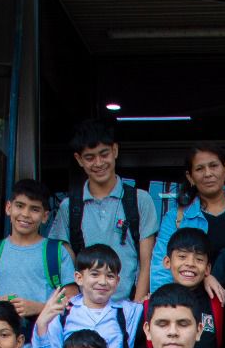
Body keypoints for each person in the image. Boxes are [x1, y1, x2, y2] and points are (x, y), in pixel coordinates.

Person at [50, 119, 161, 302]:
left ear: (115, 151)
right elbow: (66, 263)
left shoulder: (140, 200)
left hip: (128, 307)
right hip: (85, 311)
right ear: (79, 160)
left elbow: (146, 261)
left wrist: (136, 308)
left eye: (104, 154)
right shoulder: (69, 206)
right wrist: (78, 309)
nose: (99, 163)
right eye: (90, 157)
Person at [30, 244, 144, 348]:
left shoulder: (129, 312)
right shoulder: (63, 313)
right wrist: (41, 324)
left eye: (110, 276)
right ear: (79, 277)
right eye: (95, 274)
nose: (102, 281)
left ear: (117, 281)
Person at [149, 143, 225, 293]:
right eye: (200, 169)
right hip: (192, 305)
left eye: (213, 166)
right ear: (190, 177)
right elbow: (161, 269)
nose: (208, 173)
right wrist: (164, 305)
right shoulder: (176, 218)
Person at [0, 178, 77, 321]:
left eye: (34, 209)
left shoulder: (57, 252)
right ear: (8, 208)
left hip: (47, 338)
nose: (25, 214)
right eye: (20, 206)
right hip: (7, 338)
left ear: (45, 216)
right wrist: (1, 307)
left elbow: (73, 303)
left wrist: (38, 308)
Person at [161, 226, 225, 348]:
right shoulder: (154, 304)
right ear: (167, 262)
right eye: (182, 256)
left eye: (199, 259)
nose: (190, 264)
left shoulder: (217, 303)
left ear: (208, 268)